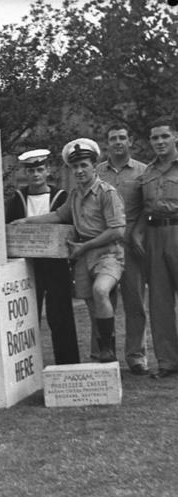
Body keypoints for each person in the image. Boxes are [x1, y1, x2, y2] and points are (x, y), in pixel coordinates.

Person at [11, 138, 125, 364]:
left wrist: (86, 246)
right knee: (93, 307)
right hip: (83, 257)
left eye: (84, 165)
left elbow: (117, 230)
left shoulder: (107, 192)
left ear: (94, 166)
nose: (79, 170)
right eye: (75, 166)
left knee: (101, 291)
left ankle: (108, 349)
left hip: (107, 253)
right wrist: (26, 221)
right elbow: (58, 215)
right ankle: (102, 355)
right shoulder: (75, 194)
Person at [5, 149, 79, 365]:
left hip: (56, 265)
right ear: (25, 173)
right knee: (26, 317)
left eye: (39, 169)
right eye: (31, 171)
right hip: (27, 267)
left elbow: (69, 226)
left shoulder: (62, 197)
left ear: (48, 170)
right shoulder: (17, 199)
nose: (36, 174)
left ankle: (67, 365)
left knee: (60, 316)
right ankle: (28, 366)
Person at [95, 124, 149, 374]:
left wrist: (138, 232)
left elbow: (149, 206)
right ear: (107, 143)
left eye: (122, 138)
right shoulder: (96, 172)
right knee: (102, 297)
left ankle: (136, 356)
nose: (118, 142)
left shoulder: (143, 171)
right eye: (113, 138)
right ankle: (104, 353)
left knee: (134, 301)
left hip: (131, 244)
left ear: (130, 141)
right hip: (104, 245)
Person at [132, 116, 178, 379]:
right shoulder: (147, 172)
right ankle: (168, 362)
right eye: (155, 137)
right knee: (160, 301)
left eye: (164, 136)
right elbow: (144, 208)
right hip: (153, 235)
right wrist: (138, 231)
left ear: (175, 137)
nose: (160, 141)